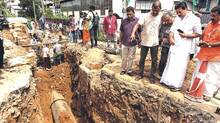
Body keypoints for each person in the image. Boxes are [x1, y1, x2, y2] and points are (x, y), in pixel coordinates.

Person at [160, 2, 202, 91]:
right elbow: (172, 30)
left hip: (184, 47)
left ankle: (176, 85)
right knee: (171, 63)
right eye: (177, 12)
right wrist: (171, 38)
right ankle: (167, 81)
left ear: (185, 9)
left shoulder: (195, 19)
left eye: (180, 12)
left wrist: (186, 35)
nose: (178, 14)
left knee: (180, 66)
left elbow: (198, 33)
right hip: (174, 45)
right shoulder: (177, 19)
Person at [185, 6, 220, 102]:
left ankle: (207, 93)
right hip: (203, 53)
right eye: (211, 15)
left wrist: (209, 44)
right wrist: (201, 41)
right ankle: (194, 89)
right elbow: (203, 34)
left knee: (211, 75)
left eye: (214, 16)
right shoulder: (209, 23)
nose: (211, 18)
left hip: (215, 56)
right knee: (198, 72)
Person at [131, 0, 162, 82]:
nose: (155, 12)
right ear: (152, 8)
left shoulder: (161, 16)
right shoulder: (145, 16)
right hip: (145, 41)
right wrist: (133, 33)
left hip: (155, 42)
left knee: (154, 60)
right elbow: (137, 25)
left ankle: (152, 76)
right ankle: (140, 74)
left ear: (160, 9)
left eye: (157, 10)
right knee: (142, 59)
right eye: (154, 10)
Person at [119, 6, 140, 76]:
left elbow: (140, 32)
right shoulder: (124, 21)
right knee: (124, 57)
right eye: (127, 14)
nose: (129, 15)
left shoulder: (137, 21)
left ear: (134, 13)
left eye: (130, 14)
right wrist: (120, 41)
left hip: (133, 43)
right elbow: (121, 31)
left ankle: (129, 70)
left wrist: (139, 41)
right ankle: (123, 69)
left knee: (131, 57)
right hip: (124, 42)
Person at [158, 12, 174, 76]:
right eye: (165, 20)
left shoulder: (176, 25)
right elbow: (160, 34)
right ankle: (161, 73)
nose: (166, 22)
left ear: (171, 17)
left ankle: (169, 74)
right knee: (163, 60)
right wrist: (162, 38)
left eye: (167, 20)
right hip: (165, 46)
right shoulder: (163, 25)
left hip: (173, 47)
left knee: (171, 61)